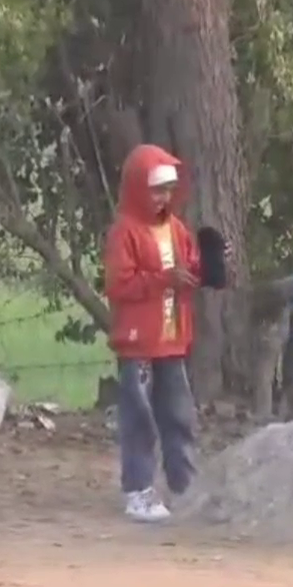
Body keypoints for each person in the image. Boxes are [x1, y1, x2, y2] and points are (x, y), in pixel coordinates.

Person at [103, 144, 202, 523]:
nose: (163, 197)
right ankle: (139, 490)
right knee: (139, 418)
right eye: (156, 189)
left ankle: (184, 487)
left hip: (171, 339)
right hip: (138, 342)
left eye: (168, 189)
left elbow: (189, 267)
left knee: (179, 414)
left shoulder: (175, 229)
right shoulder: (125, 232)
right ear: (137, 189)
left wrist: (205, 264)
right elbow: (119, 285)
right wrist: (164, 279)